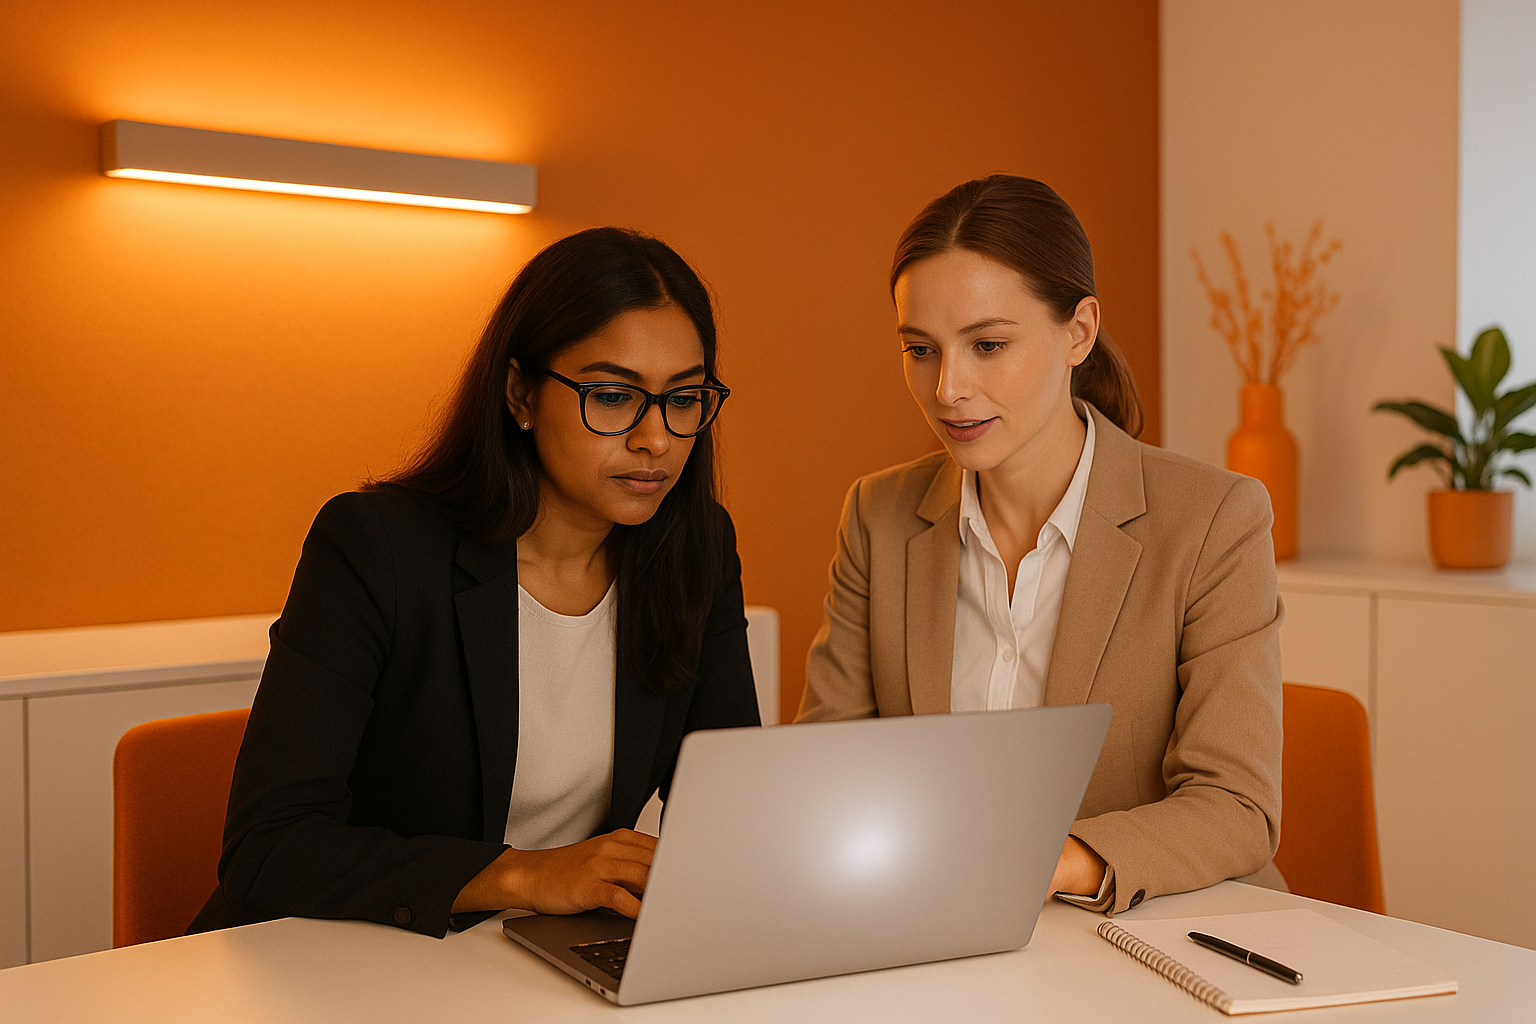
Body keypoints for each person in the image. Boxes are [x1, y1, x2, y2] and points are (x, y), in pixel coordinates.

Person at [191, 227, 760, 939]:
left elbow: (732, 814)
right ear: (520, 393)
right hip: (343, 960)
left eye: (684, 400)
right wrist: (522, 873)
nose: (656, 438)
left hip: (539, 960)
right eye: (613, 397)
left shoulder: (695, 549)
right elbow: (268, 849)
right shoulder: (378, 547)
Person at [797, 175, 1284, 916]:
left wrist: (1057, 860)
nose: (948, 388)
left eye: (987, 344)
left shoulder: (1215, 518)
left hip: (1147, 936)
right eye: (920, 350)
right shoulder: (878, 515)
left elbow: (1237, 806)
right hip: (933, 931)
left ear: (1078, 332)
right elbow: (831, 768)